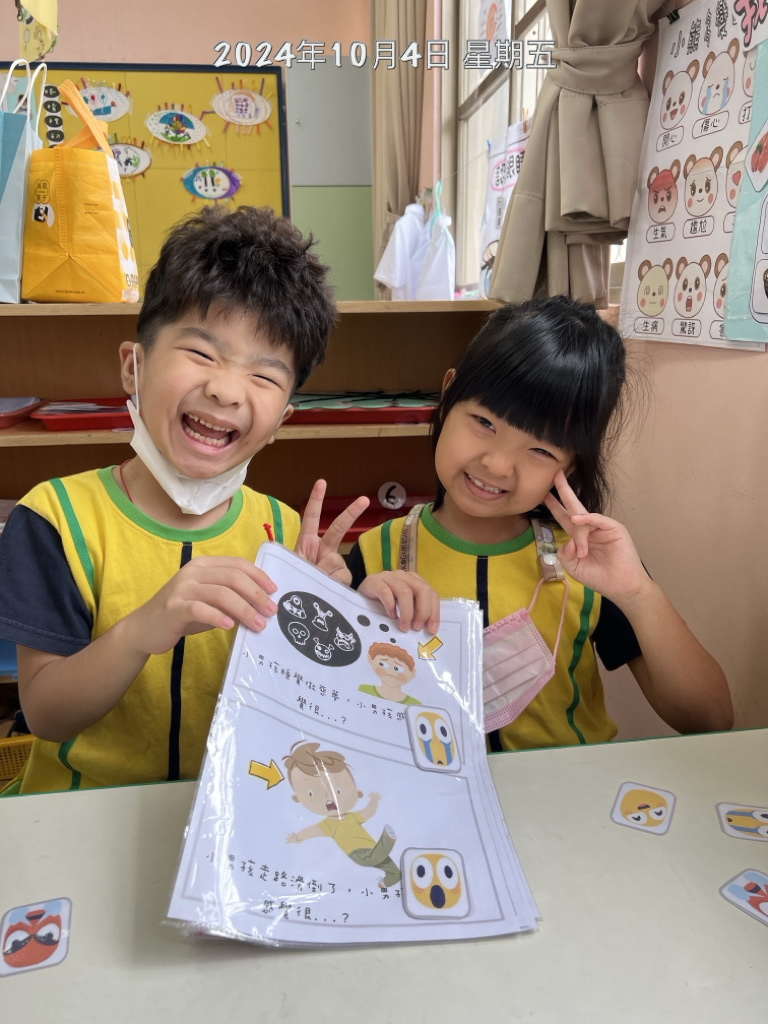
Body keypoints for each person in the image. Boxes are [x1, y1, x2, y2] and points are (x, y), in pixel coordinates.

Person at [0, 206, 433, 794]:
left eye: (264, 376)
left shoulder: (282, 532)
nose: (226, 390)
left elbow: (313, 703)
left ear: (281, 419)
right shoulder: (55, 518)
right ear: (134, 366)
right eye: (202, 354)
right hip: (86, 809)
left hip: (235, 810)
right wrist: (141, 630)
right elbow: (47, 714)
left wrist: (358, 616)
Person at [350, 297, 732, 751]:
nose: (497, 465)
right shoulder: (373, 554)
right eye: (484, 422)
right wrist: (357, 611)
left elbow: (710, 719)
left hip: (565, 791)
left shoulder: (586, 564)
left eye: (541, 450)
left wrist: (637, 594)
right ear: (448, 393)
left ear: (572, 463)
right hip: (427, 785)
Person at [284, 741, 401, 889]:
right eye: (312, 793)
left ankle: (387, 882)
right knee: (374, 858)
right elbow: (312, 831)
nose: (330, 798)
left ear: (357, 792)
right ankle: (388, 840)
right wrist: (298, 837)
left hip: (374, 848)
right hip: (359, 853)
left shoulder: (353, 817)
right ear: (298, 798)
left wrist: (374, 800)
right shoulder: (329, 825)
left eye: (338, 791)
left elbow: (368, 812)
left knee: (393, 870)